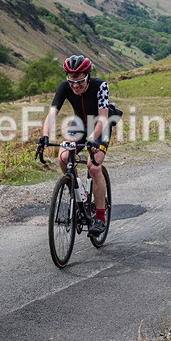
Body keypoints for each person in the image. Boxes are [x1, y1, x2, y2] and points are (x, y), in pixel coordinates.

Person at [36, 55, 111, 237]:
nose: (75, 86)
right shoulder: (64, 87)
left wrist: (93, 138)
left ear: (88, 76)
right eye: (71, 81)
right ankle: (78, 194)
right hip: (78, 125)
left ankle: (100, 216)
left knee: (94, 167)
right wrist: (45, 136)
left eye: (80, 81)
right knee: (63, 157)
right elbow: (52, 114)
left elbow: (103, 118)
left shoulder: (100, 86)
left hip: (100, 126)